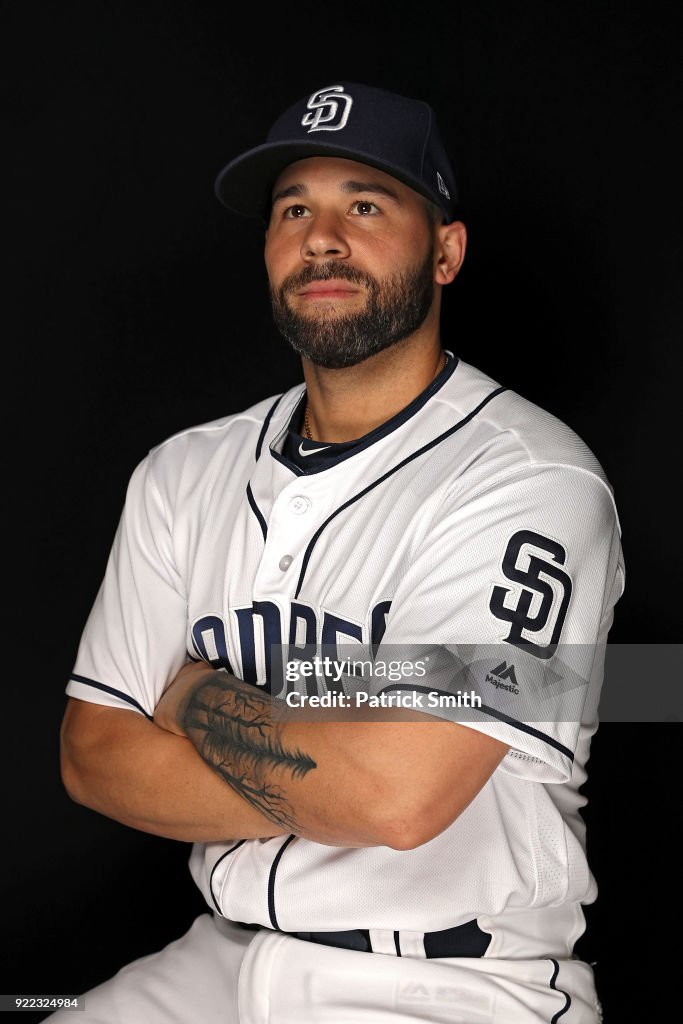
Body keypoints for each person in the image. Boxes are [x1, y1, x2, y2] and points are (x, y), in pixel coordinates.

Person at [56, 82, 624, 1023]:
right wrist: (347, 742)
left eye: (365, 204)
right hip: (220, 955)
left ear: (445, 251)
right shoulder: (180, 471)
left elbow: (398, 798)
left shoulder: (529, 479)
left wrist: (196, 695)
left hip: (449, 981)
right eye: (294, 210)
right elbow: (95, 756)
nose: (322, 238)